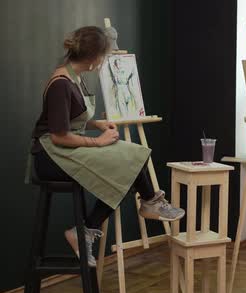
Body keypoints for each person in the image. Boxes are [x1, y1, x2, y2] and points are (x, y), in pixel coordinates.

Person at [28, 26, 185, 267]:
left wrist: (96, 123)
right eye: (103, 56)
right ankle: (147, 203)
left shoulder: (74, 77)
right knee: (125, 167)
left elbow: (68, 118)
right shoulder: (61, 83)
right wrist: (97, 141)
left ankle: (142, 204)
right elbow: (59, 135)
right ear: (94, 60)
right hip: (50, 157)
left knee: (134, 155)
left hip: (65, 149)